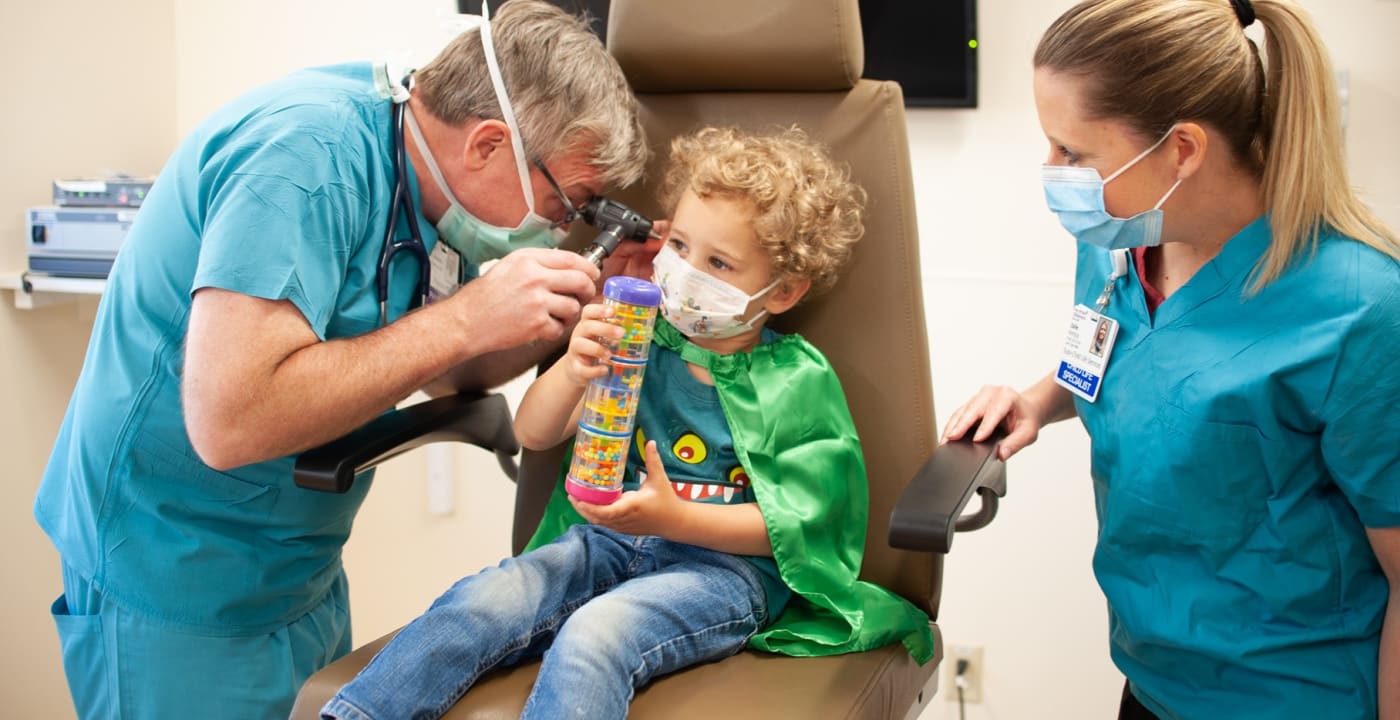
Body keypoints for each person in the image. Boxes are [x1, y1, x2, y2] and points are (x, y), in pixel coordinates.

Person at [33, 2, 652, 718]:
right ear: (486, 146)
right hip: (172, 573)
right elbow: (230, 422)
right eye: (562, 203)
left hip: (296, 570)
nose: (557, 227)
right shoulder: (301, 162)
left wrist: (580, 296)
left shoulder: (416, 181)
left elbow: (447, 368)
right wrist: (463, 319)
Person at [319, 126, 934, 720]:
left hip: (720, 573)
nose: (688, 271)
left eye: (719, 264)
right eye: (681, 246)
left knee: (597, 634)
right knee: (483, 601)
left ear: (781, 291)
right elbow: (534, 434)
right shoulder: (637, 338)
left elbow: (802, 527)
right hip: (603, 543)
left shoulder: (795, 379)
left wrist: (676, 519)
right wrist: (573, 370)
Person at [942, 1, 1400, 718]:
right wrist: (1035, 400)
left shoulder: (1360, 309)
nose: (1052, 171)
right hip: (1152, 678)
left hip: (1291, 699)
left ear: (1183, 149)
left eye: (1072, 152)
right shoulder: (1114, 244)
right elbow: (1124, 359)